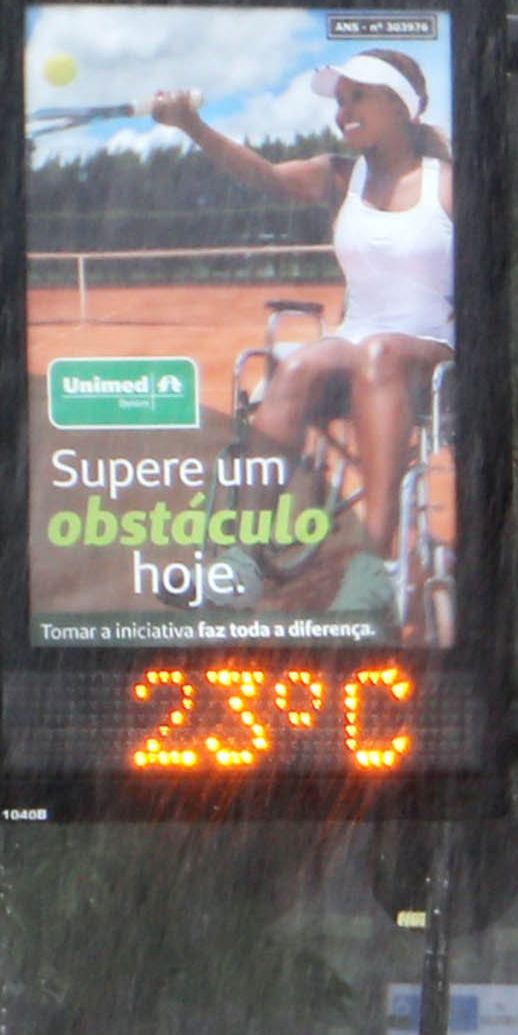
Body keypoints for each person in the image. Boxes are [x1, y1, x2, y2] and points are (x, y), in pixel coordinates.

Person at [151, 48, 454, 618]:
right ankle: (242, 563)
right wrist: (192, 125)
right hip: (360, 341)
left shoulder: (449, 185)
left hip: (429, 344)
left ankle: (377, 565)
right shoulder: (342, 175)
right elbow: (260, 175)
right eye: (340, 102)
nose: (343, 112)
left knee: (378, 353)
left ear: (399, 103)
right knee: (297, 366)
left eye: (356, 97)